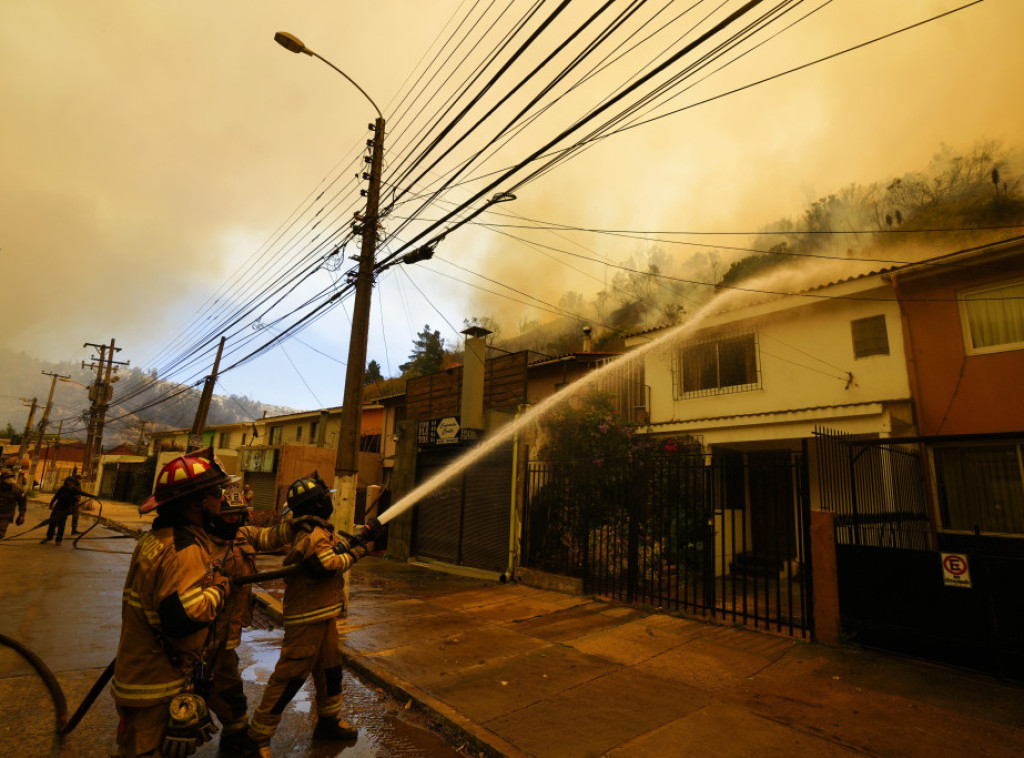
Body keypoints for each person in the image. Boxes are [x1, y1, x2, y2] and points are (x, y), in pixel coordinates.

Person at [242, 473, 380, 757]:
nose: (328, 500)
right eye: (325, 497)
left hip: (324, 614)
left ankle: (328, 721)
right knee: (290, 676)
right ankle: (258, 735)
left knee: (330, 670)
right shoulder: (313, 534)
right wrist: (357, 553)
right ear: (317, 503)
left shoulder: (306, 527)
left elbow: (318, 554)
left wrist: (355, 542)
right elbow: (324, 565)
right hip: (307, 617)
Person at [110, 448, 233, 758]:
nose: (222, 499)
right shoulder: (184, 549)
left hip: (137, 674)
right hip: (157, 684)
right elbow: (185, 619)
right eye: (217, 492)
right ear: (197, 503)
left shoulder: (156, 539)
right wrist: (219, 588)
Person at [203, 483, 297, 754]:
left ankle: (234, 742)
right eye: (227, 515)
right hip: (201, 637)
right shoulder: (200, 545)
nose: (232, 520)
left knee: (230, 693)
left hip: (227, 637)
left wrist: (297, 522)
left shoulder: (243, 536)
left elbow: (271, 537)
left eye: (236, 515)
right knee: (191, 693)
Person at [40, 476, 84, 545]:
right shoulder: (62, 488)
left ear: (72, 482)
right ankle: (49, 537)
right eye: (67, 481)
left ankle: (59, 540)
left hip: (65, 510)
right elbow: (56, 496)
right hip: (57, 508)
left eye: (69, 482)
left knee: (61, 525)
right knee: (52, 523)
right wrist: (51, 503)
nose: (68, 483)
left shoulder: (74, 490)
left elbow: (82, 494)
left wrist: (93, 497)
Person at [0, 463, 27, 538]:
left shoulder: (17, 489)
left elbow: (22, 502)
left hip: (6, 515)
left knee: (0, 532)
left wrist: (22, 515)